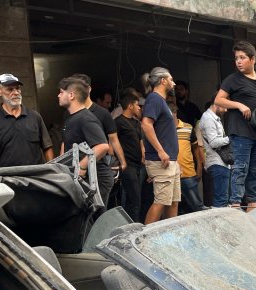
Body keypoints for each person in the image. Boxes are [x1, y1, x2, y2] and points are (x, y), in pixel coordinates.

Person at [214, 40, 256, 209]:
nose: (238, 61)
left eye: (242, 57)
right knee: (240, 168)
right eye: (236, 58)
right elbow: (218, 100)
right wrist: (238, 105)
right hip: (240, 131)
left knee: (255, 169)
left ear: (253, 59)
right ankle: (235, 203)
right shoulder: (232, 79)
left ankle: (252, 201)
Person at [70, 73, 126, 206]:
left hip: (99, 166)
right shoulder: (70, 113)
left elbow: (113, 139)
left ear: (88, 89)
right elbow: (66, 141)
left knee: (98, 206)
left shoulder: (102, 113)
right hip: (76, 167)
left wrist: (123, 162)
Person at [0, 73, 53, 169]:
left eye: (18, 88)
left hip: (36, 174)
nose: (16, 92)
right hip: (7, 176)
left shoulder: (34, 116)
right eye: (10, 89)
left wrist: (51, 170)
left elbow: (47, 146)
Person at [140, 67, 180, 225]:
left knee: (173, 201)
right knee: (161, 201)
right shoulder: (154, 99)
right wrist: (161, 151)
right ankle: (143, 238)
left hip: (170, 160)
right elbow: (146, 125)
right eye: (171, 79)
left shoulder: (159, 100)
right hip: (161, 160)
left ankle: (171, 236)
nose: (173, 83)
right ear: (163, 80)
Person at [58, 77, 109, 178]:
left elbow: (103, 146)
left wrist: (82, 166)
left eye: (61, 92)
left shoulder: (85, 118)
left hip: (96, 180)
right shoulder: (71, 118)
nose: (58, 95)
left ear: (71, 95)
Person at [114, 92, 146, 221]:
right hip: (128, 165)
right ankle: (133, 227)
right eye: (137, 105)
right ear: (130, 106)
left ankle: (130, 223)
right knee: (135, 199)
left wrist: (144, 155)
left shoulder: (137, 123)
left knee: (137, 198)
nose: (139, 108)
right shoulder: (118, 122)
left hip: (140, 165)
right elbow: (112, 142)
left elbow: (141, 141)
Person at [168, 102, 204, 213]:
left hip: (188, 174)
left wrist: (199, 167)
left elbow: (196, 149)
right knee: (174, 208)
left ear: (175, 113)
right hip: (169, 174)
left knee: (196, 207)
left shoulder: (188, 128)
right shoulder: (162, 130)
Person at [198, 102, 232, 208]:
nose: (226, 110)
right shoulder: (208, 118)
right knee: (221, 201)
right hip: (217, 163)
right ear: (217, 104)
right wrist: (231, 138)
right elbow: (213, 142)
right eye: (225, 107)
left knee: (222, 199)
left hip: (221, 163)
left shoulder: (214, 118)